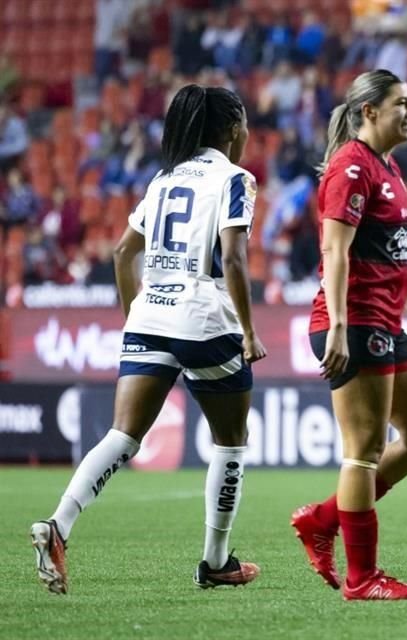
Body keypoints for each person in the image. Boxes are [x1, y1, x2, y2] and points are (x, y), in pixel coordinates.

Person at [29, 85, 267, 594]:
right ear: (231, 129)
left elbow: (120, 253)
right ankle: (215, 561)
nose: (247, 135)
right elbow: (235, 259)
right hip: (204, 318)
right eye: (244, 125)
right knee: (230, 441)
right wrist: (248, 331)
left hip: (149, 317)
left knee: (121, 436)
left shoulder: (164, 178)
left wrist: (134, 316)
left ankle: (58, 525)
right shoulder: (235, 179)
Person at [289, 69, 407, 601]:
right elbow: (334, 251)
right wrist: (337, 325)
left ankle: (324, 519)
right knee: (365, 449)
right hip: (354, 322)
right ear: (369, 111)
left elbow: (396, 255)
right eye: (402, 103)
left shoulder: (389, 167)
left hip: (389, 322)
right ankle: (363, 578)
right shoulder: (351, 166)